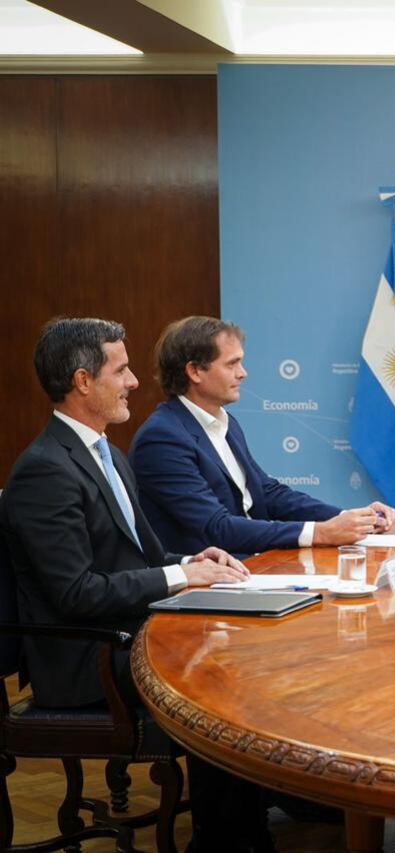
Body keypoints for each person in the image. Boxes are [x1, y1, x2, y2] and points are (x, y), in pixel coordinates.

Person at [0, 317, 271, 851]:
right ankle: (231, 839)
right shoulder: (45, 471)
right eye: (120, 370)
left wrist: (192, 558)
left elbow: (142, 557)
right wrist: (179, 575)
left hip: (127, 634)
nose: (134, 382)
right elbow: (75, 593)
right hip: (88, 660)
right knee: (221, 674)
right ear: (83, 382)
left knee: (249, 650)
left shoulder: (107, 453)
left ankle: (257, 815)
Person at [129, 316, 395, 557]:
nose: (243, 373)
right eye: (232, 364)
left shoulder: (226, 422)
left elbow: (266, 493)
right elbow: (216, 527)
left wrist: (348, 517)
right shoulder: (162, 439)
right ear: (195, 371)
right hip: (209, 583)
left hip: (253, 566)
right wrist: (320, 532)